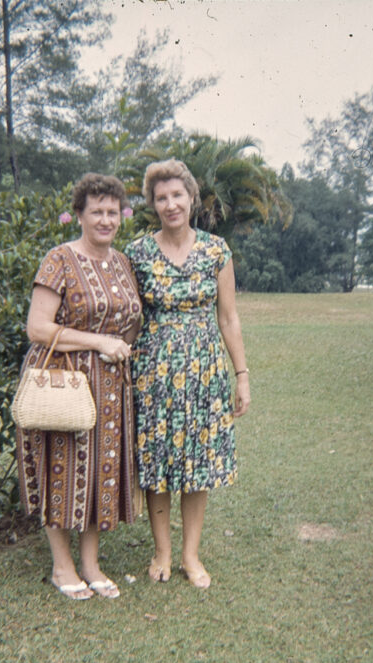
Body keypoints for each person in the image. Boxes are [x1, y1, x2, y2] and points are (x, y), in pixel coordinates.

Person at [125, 159, 251, 588]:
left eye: (177, 195)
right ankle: (160, 551)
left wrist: (242, 375)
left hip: (204, 371)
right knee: (157, 460)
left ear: (191, 197)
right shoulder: (138, 252)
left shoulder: (217, 250)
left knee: (198, 463)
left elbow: (229, 318)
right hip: (153, 371)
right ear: (152, 204)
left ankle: (190, 556)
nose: (170, 204)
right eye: (161, 198)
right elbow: (131, 318)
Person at [17, 174, 142, 600]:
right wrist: (99, 341)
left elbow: (130, 322)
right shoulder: (60, 259)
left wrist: (120, 346)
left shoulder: (123, 263)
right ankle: (62, 565)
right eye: (97, 212)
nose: (105, 220)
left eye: (112, 212)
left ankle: (91, 563)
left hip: (109, 387)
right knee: (60, 469)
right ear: (81, 215)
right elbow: (37, 327)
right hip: (64, 382)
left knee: (100, 474)